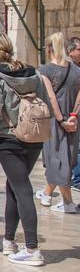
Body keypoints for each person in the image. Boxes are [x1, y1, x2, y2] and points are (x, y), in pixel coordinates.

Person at [0, 32, 72, 267]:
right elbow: (45, 102)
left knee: (22, 188)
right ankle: (9, 241)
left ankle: (32, 249)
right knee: (14, 185)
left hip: (7, 137)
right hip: (33, 137)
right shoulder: (33, 72)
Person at [38, 32, 80, 212]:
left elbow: (50, 97)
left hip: (55, 122)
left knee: (55, 159)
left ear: (49, 49)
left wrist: (62, 120)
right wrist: (74, 115)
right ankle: (59, 198)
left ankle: (59, 199)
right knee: (66, 158)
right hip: (73, 121)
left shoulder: (45, 70)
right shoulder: (76, 70)